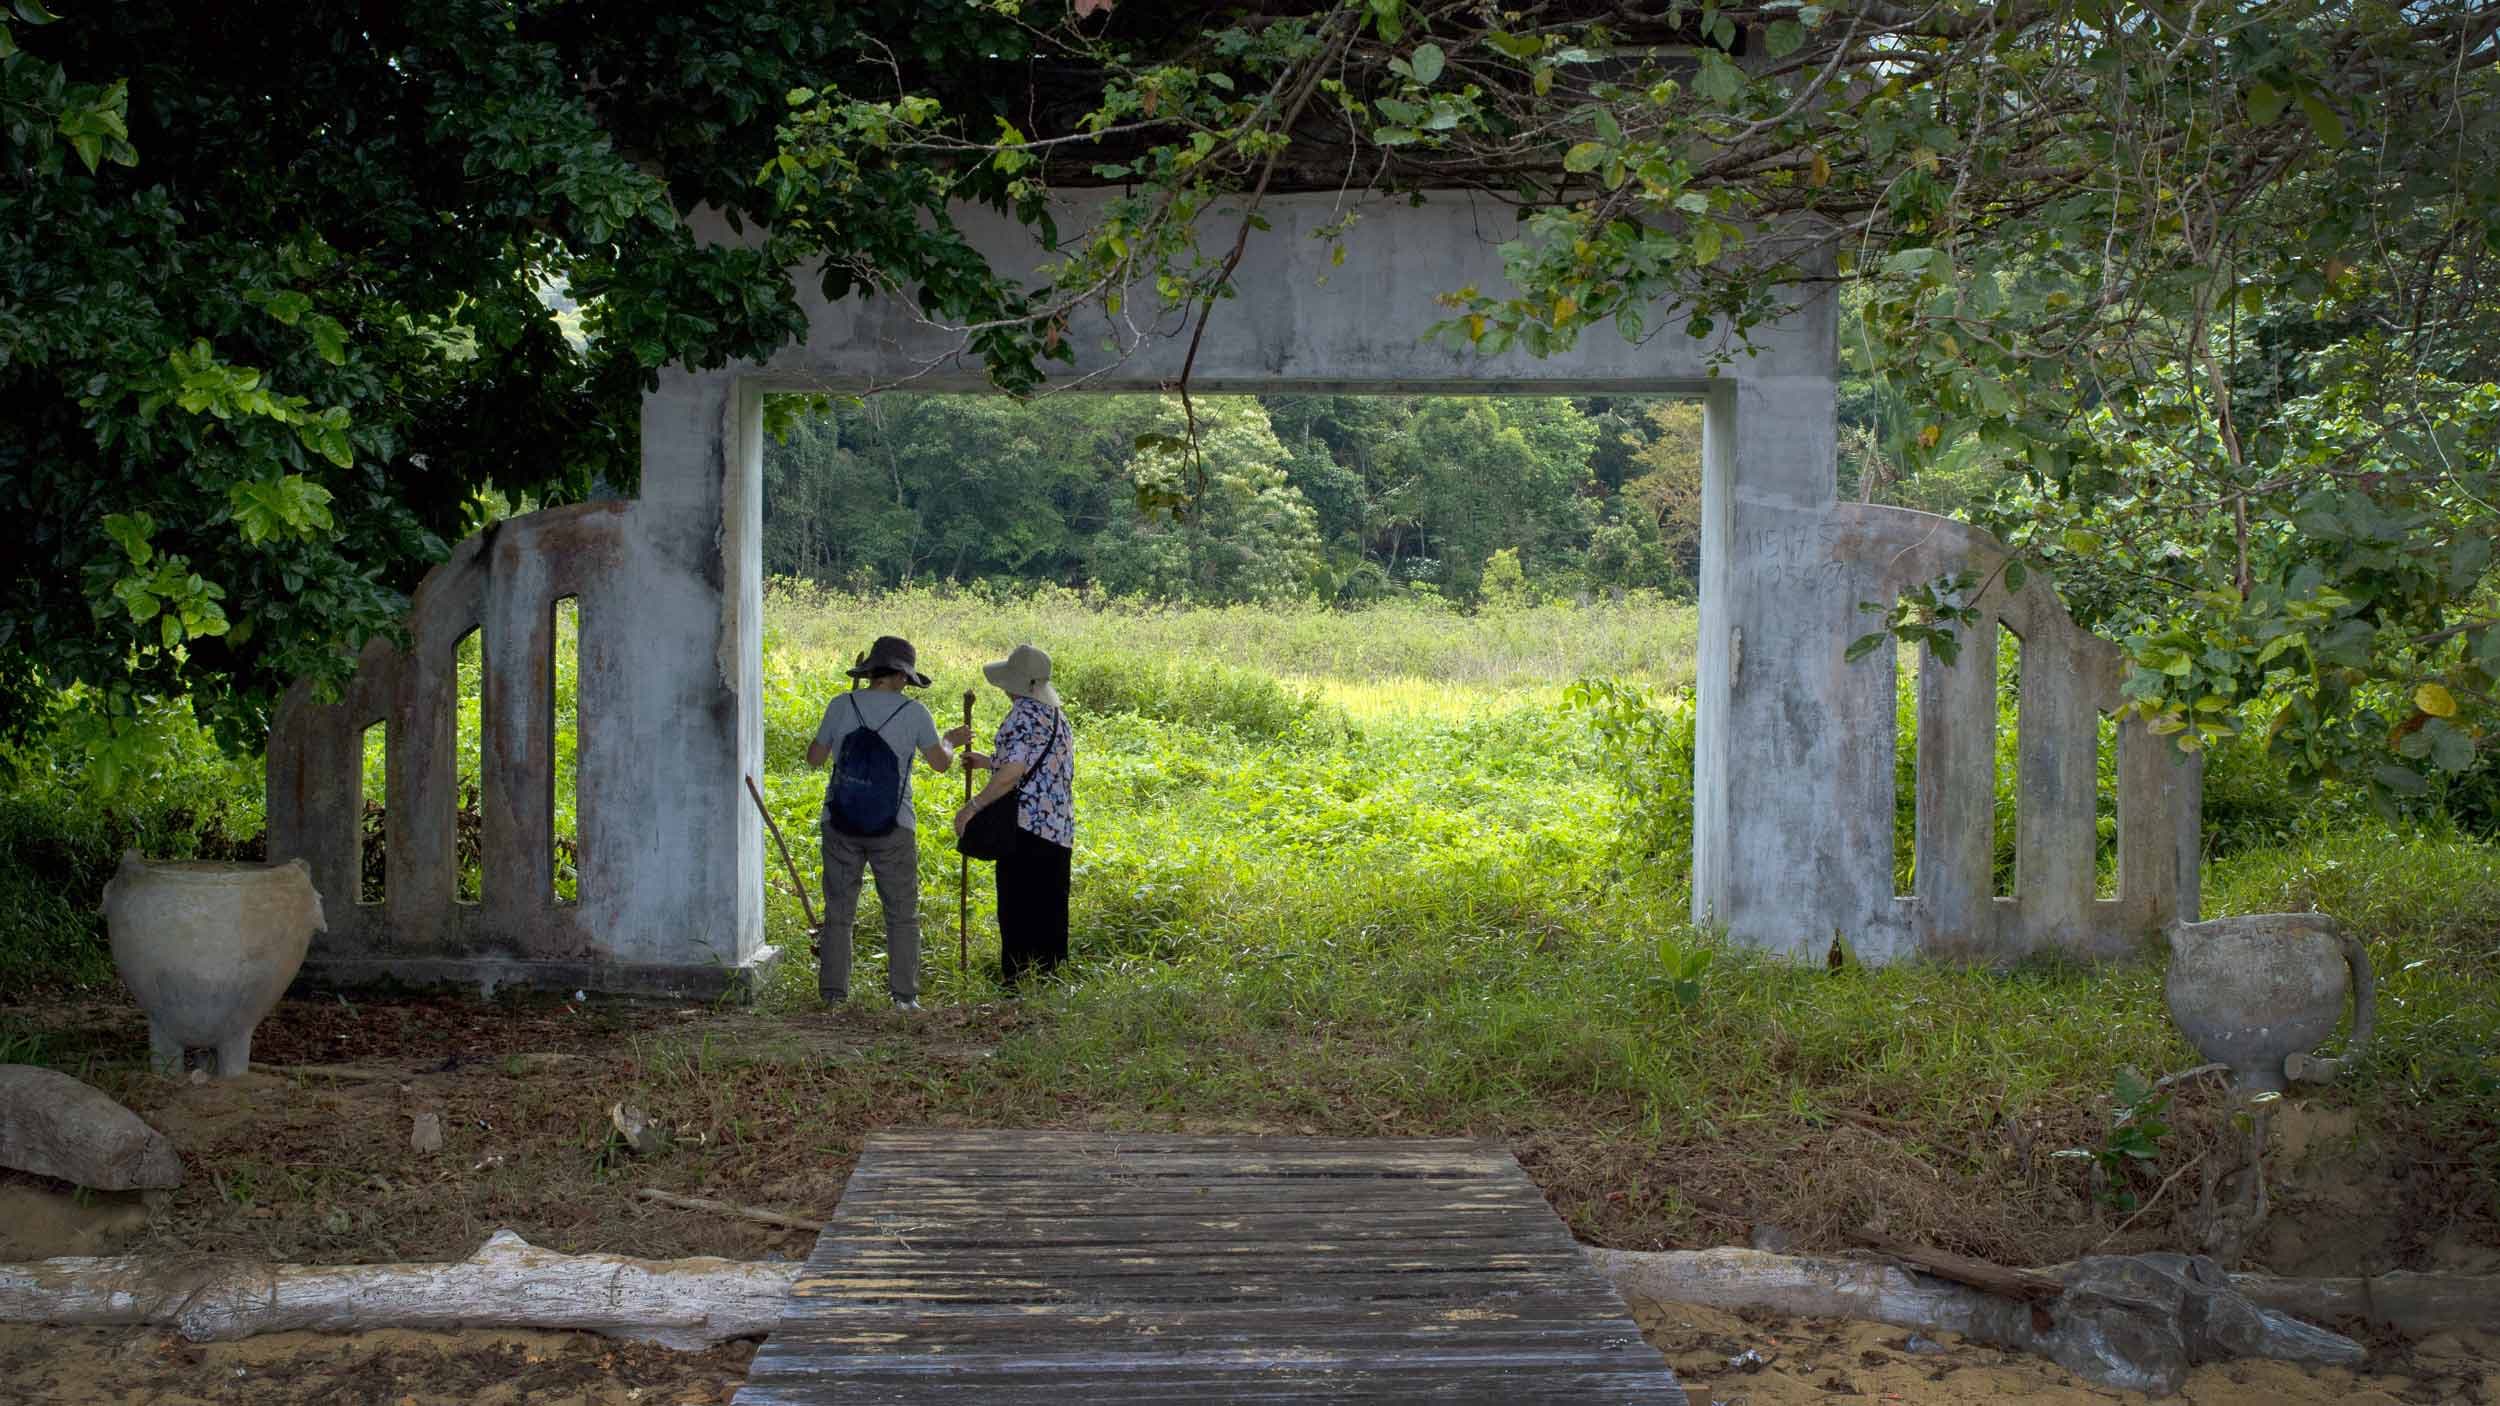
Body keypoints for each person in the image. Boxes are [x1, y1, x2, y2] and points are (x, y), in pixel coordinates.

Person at [807, 635, 951, 1010]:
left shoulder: (841, 704)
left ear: (871, 672)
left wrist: (844, 720)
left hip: (839, 821)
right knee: (902, 913)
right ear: (903, 676)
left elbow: (814, 758)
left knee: (839, 911)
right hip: (895, 826)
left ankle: (833, 996)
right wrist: (949, 742)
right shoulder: (915, 714)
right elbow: (940, 763)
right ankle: (905, 997)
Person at [947, 642, 1075, 987]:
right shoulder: (1056, 717)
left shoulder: (1020, 716)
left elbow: (1013, 772)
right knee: (1050, 911)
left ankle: (1017, 987)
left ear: (1013, 684)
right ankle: (1049, 986)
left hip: (1025, 829)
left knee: (1018, 910)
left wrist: (973, 807)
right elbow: (1038, 765)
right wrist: (988, 762)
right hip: (1058, 831)